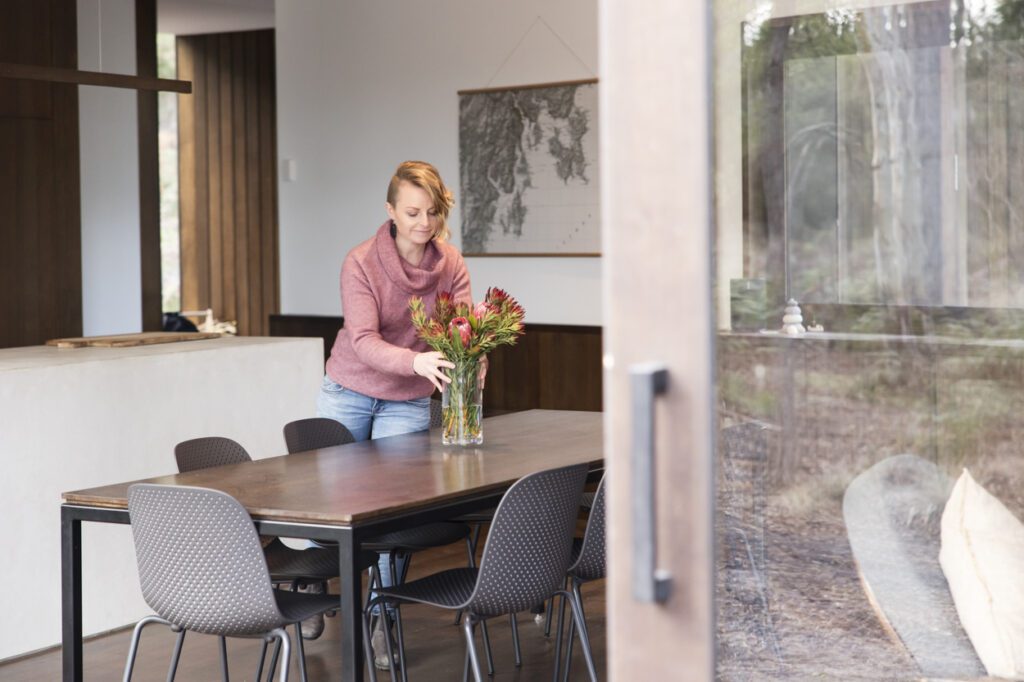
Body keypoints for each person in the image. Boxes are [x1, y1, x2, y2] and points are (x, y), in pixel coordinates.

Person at [314, 160, 472, 665]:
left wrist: (469, 367)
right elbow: (361, 341)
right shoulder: (360, 262)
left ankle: (382, 617)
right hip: (350, 389)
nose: (423, 223)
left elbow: (466, 329)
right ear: (391, 211)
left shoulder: (451, 265)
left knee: (391, 514)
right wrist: (416, 359)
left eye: (431, 212)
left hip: (407, 396)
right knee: (332, 504)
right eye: (412, 212)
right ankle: (314, 588)